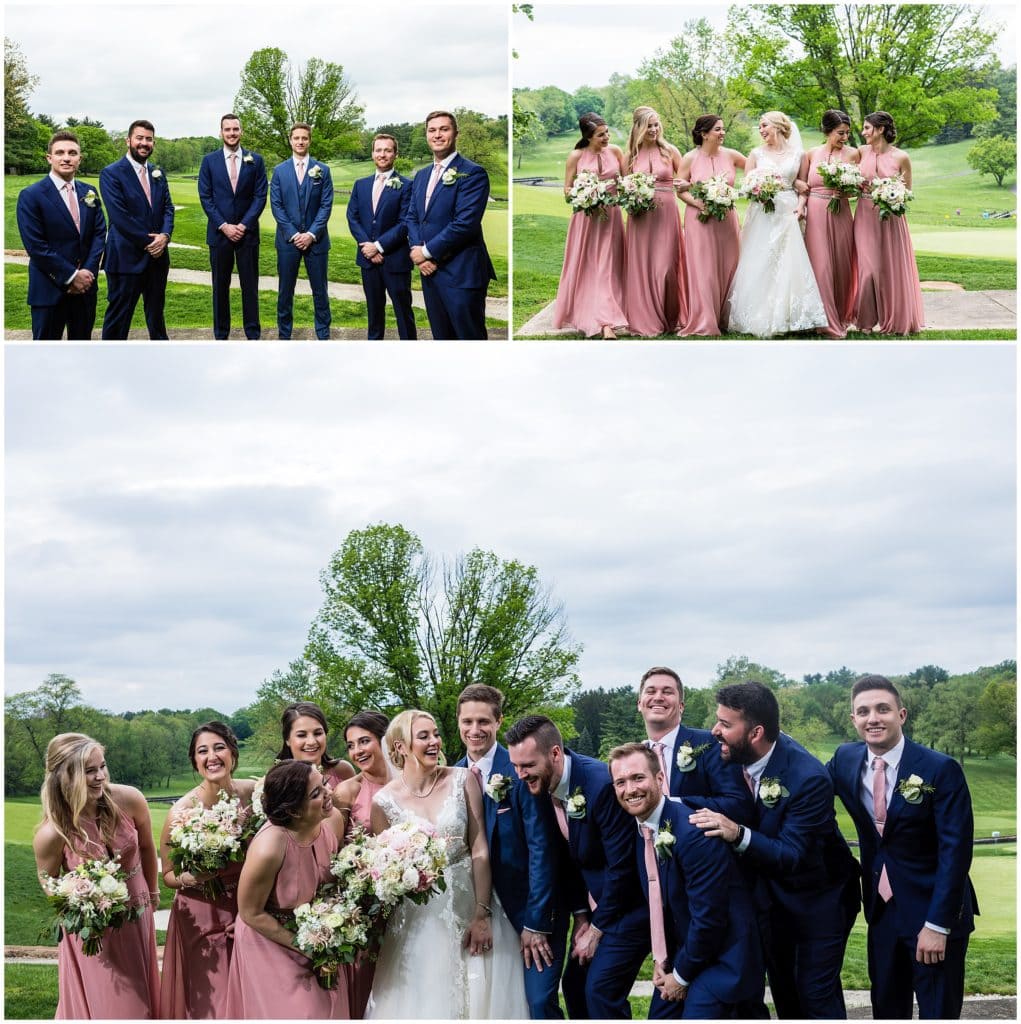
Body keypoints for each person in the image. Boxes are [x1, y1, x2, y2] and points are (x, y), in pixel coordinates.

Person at [689, 681, 860, 1019]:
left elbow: (791, 854)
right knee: (784, 992)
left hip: (820, 901)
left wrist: (737, 833)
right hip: (770, 902)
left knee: (814, 994)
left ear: (756, 733)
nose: (715, 731)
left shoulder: (807, 777)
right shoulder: (730, 754)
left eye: (725, 724)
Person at [828, 675, 977, 1019]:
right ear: (853, 719)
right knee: (887, 1009)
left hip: (934, 913)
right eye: (863, 711)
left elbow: (955, 854)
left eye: (883, 709)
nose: (873, 718)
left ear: (902, 714)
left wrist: (938, 926)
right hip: (882, 914)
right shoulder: (845, 759)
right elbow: (808, 787)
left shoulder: (940, 769)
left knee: (938, 1011)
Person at [366, 710, 528, 1019]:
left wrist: (481, 914)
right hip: (419, 918)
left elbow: (479, 848)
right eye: (423, 736)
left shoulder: (461, 779)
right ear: (400, 746)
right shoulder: (384, 802)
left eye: (436, 734)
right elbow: (384, 868)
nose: (434, 742)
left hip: (472, 902)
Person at [506, 714, 649, 1019]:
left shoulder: (599, 786)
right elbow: (566, 861)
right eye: (516, 766)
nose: (520, 774)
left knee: (600, 991)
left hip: (633, 906)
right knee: (574, 984)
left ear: (555, 754)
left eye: (528, 765)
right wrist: (581, 917)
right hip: (597, 905)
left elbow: (622, 870)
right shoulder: (541, 787)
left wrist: (596, 930)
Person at [608, 743, 764, 1019]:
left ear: (659, 779)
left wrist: (680, 976)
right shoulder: (642, 830)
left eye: (638, 778)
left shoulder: (692, 832)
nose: (629, 789)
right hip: (689, 953)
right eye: (620, 782)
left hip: (725, 958)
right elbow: (666, 906)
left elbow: (709, 918)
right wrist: (662, 961)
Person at [454, 684, 566, 1019]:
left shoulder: (519, 770)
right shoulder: (453, 776)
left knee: (539, 1001)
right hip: (475, 913)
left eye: (484, 721)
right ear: (458, 723)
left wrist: (536, 922)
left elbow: (541, 848)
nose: (475, 730)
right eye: (468, 721)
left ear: (499, 721)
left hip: (527, 911)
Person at [33, 733, 160, 1019]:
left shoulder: (130, 799)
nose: (100, 776)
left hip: (136, 914)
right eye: (89, 771)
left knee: (144, 996)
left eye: (102, 766)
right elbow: (49, 883)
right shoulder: (51, 833)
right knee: (119, 1006)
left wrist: (152, 895)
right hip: (94, 933)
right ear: (64, 776)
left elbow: (147, 847)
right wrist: (82, 901)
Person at [224, 760, 350, 1017]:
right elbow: (250, 913)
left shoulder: (329, 822)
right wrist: (306, 946)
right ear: (293, 810)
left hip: (315, 935)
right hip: (269, 941)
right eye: (315, 793)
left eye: (324, 784)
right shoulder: (269, 847)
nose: (328, 794)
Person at [159, 721, 256, 1019]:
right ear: (195, 761)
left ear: (232, 753)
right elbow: (168, 876)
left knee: (251, 996)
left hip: (249, 907)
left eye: (219, 748)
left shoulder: (254, 795)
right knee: (213, 1002)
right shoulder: (181, 812)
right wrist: (196, 876)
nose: (212, 756)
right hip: (202, 914)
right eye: (203, 751)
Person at [724, 111, 828, 337]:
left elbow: (803, 187)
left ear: (779, 126)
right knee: (761, 260)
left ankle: (788, 317)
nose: (761, 130)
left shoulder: (799, 154)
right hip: (762, 211)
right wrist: (758, 190)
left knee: (789, 261)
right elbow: (747, 185)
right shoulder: (755, 154)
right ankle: (758, 315)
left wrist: (801, 206)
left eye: (764, 126)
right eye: (759, 127)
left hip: (788, 210)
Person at [406, 110, 496, 339]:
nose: (437, 135)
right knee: (441, 338)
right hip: (430, 274)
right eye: (432, 130)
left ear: (456, 133)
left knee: (469, 338)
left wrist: (426, 252)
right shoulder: (421, 175)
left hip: (461, 272)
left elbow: (464, 224)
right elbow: (413, 217)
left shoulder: (473, 173)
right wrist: (419, 253)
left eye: (444, 129)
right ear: (426, 135)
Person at [15, 130, 107, 340]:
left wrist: (86, 274)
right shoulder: (31, 196)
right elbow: (36, 246)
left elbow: (100, 233)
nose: (66, 157)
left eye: (72, 153)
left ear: (79, 159)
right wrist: (71, 276)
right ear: (50, 158)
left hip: (85, 290)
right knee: (45, 354)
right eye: (60, 152)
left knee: (82, 350)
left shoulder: (89, 191)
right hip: (49, 289)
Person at [332, 710, 392, 1019]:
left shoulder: (413, 780)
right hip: (368, 907)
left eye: (365, 741)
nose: (357, 751)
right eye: (351, 745)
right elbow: (333, 854)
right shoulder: (348, 791)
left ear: (386, 739)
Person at [636, 666, 753, 823]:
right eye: (650, 691)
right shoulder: (636, 756)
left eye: (667, 692)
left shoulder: (711, 743)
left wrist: (671, 804)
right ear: (639, 704)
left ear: (681, 706)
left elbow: (738, 804)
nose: (658, 697)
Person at [551, 112, 627, 339]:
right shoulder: (576, 156)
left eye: (607, 133)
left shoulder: (616, 152)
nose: (606, 138)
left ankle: (607, 318)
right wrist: (582, 196)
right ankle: (603, 322)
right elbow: (566, 190)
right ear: (588, 136)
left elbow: (625, 183)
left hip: (611, 218)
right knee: (591, 266)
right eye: (600, 135)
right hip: (586, 220)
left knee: (607, 266)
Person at [99, 119, 174, 339]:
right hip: (125, 259)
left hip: (157, 261)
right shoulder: (111, 173)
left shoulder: (157, 172)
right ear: (128, 140)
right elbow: (119, 217)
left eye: (148, 139)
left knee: (157, 320)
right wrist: (150, 242)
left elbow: (168, 208)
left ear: (154, 142)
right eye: (139, 138)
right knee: (118, 322)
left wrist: (165, 236)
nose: (144, 143)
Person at [854, 111, 925, 334]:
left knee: (890, 269)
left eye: (867, 128)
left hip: (891, 218)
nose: (863, 132)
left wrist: (891, 195)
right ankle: (865, 321)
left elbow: (907, 192)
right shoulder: (860, 152)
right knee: (868, 269)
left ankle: (894, 319)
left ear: (880, 129)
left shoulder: (901, 157)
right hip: (864, 215)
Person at [197, 113, 267, 339]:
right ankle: (221, 334)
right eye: (227, 129)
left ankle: (253, 334)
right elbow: (205, 197)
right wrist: (224, 226)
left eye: (235, 129)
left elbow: (260, 196)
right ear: (221, 132)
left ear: (241, 131)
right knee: (220, 288)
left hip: (247, 236)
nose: (232, 133)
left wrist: (244, 225)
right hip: (219, 235)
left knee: (250, 287)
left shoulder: (256, 160)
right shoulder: (209, 161)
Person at [677, 115, 745, 337]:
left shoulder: (732, 155)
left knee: (729, 267)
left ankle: (726, 318)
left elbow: (757, 169)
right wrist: (699, 204)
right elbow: (680, 189)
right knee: (704, 270)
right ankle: (705, 320)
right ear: (704, 134)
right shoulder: (689, 158)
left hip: (727, 219)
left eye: (723, 129)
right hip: (700, 220)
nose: (722, 133)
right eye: (718, 129)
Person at [622, 107, 687, 337]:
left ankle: (669, 317)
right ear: (639, 128)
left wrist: (685, 184)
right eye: (649, 125)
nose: (654, 129)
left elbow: (686, 178)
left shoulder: (670, 151)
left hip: (666, 214)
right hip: (640, 218)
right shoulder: (630, 155)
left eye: (656, 124)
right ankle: (645, 318)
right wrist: (632, 193)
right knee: (643, 267)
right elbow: (623, 186)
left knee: (667, 267)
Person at [346, 133, 417, 339]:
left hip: (394, 260)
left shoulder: (407, 185)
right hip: (368, 261)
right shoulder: (361, 184)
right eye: (379, 150)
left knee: (403, 312)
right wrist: (367, 247)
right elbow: (353, 217)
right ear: (372, 153)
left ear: (395, 154)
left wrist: (378, 246)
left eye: (387, 150)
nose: (382, 154)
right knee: (374, 312)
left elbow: (405, 222)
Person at [797, 109, 860, 338]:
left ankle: (841, 315)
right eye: (840, 133)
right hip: (815, 212)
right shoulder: (811, 154)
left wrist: (846, 189)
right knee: (821, 267)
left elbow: (858, 189)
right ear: (827, 131)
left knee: (841, 266)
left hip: (840, 212)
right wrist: (800, 199)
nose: (844, 138)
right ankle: (824, 320)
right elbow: (801, 183)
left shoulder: (853, 155)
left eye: (847, 133)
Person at [269, 122, 334, 339]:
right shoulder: (279, 171)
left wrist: (311, 234)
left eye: (304, 138)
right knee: (285, 292)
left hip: (317, 241)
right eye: (296, 138)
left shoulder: (322, 170)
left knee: (320, 292)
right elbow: (276, 205)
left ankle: (323, 333)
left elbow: (326, 205)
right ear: (290, 140)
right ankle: (284, 335)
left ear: (309, 140)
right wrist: (295, 235)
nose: (300, 141)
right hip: (288, 242)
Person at [277, 700, 355, 787]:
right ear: (287, 739)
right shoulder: (279, 781)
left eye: (318, 733)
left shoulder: (343, 770)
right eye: (302, 735)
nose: (312, 742)